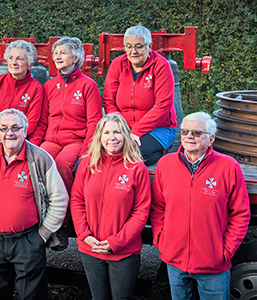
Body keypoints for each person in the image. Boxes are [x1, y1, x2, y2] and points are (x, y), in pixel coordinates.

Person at [0, 108, 69, 300]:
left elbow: (59, 199)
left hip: (28, 240)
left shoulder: (40, 158)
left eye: (16, 127)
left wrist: (42, 235)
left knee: (32, 296)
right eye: (4, 128)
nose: (10, 133)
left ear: (25, 130)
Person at [151, 112, 250, 299]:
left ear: (211, 138)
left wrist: (225, 251)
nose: (189, 136)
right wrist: (161, 241)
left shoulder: (229, 167)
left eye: (196, 132)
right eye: (185, 131)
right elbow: (158, 207)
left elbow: (241, 214)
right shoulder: (165, 165)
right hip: (175, 260)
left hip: (212, 264)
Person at [29, 37, 102, 248]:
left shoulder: (88, 86)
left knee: (61, 165)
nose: (57, 56)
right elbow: (43, 120)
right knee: (36, 161)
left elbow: (94, 122)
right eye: (55, 53)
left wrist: (87, 152)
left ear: (77, 57)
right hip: (51, 139)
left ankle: (63, 224)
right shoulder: (50, 85)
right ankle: (38, 217)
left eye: (63, 52)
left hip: (76, 141)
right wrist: (33, 146)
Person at [71, 114, 151, 300]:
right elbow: (76, 201)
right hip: (90, 248)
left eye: (117, 132)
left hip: (124, 252)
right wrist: (84, 235)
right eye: (106, 132)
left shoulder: (137, 168)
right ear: (99, 136)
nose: (112, 137)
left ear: (125, 135)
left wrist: (116, 242)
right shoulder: (87, 164)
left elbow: (141, 211)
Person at [103, 24, 177, 166]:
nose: (133, 51)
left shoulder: (161, 66)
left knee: (134, 154)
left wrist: (136, 131)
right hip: (125, 126)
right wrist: (120, 128)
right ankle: (156, 153)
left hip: (159, 127)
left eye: (139, 46)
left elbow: (163, 105)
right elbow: (108, 100)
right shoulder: (117, 64)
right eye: (129, 46)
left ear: (149, 46)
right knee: (108, 151)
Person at [0, 40, 43, 153]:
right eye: (11, 58)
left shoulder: (35, 88)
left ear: (30, 64)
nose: (14, 62)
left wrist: (11, 139)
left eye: (20, 59)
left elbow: (32, 122)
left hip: (18, 139)